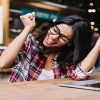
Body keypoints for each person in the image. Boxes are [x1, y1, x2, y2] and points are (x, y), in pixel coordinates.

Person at [0, 12, 100, 83]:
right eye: (55, 30)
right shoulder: (32, 42)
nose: (53, 38)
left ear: (70, 43)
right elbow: (2, 63)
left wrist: (98, 45)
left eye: (63, 38)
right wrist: (27, 28)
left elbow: (79, 75)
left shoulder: (67, 57)